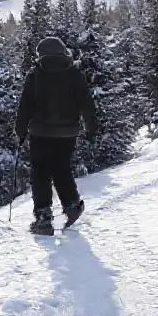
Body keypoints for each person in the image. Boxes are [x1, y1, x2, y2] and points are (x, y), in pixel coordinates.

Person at [15, 36, 98, 235]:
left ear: (41, 55)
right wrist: (91, 129)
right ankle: (71, 206)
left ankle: (43, 217)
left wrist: (20, 132)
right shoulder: (74, 74)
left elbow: (25, 107)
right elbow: (87, 104)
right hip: (67, 132)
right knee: (62, 169)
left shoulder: (35, 76)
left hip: (40, 133)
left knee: (40, 173)